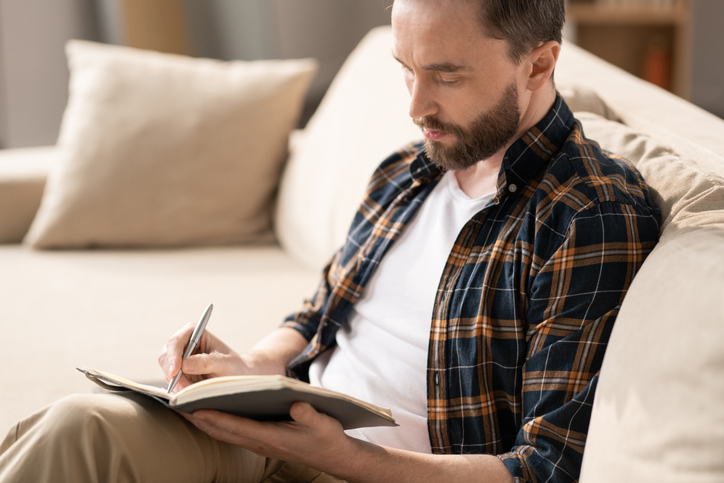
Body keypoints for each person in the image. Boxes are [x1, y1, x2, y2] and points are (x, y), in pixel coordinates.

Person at [0, 0, 660, 481]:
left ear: (540, 61)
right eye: (405, 69)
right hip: (287, 435)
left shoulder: (589, 216)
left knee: (74, 440)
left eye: (446, 76)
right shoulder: (408, 170)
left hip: (364, 468)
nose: (414, 105)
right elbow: (320, 311)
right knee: (70, 425)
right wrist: (255, 365)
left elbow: (543, 469)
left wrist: (340, 455)